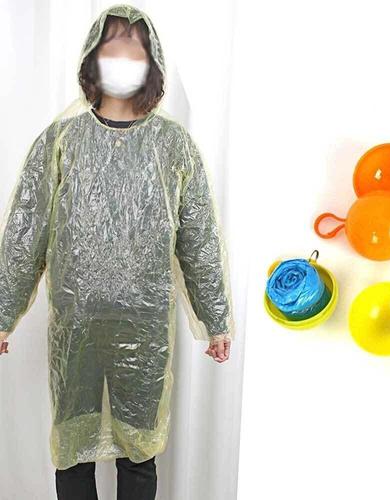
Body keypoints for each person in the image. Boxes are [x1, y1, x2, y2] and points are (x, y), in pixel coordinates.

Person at [0, 4, 235, 499]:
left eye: (135, 51)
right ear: (93, 58)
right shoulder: (61, 141)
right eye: (113, 49)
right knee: (74, 450)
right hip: (76, 325)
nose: (124, 61)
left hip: (144, 327)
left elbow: (198, 238)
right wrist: (3, 313)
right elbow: (26, 233)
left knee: (139, 455)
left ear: (152, 64)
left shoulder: (173, 145)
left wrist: (215, 320)